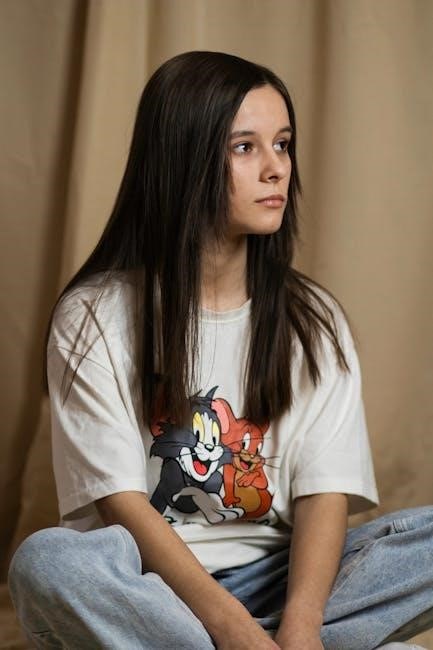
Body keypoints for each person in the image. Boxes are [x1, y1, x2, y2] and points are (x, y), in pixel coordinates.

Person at [8, 51, 433, 650]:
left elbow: (323, 496)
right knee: (49, 561)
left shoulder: (313, 320)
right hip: (147, 587)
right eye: (245, 148)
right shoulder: (95, 316)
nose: (276, 169)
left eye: (282, 144)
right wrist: (233, 632)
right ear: (183, 158)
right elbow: (120, 504)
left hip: (277, 581)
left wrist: (302, 630)